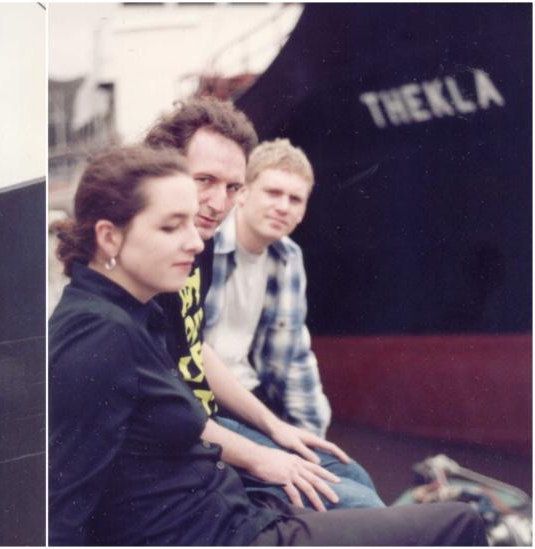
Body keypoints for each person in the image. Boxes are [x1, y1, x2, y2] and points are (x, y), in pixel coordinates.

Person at [48, 144, 485, 546]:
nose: (196, 241)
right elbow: (62, 505)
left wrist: (286, 437)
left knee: (361, 486)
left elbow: (291, 359)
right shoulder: (96, 335)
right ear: (109, 237)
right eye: (170, 226)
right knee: (459, 524)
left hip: (236, 516)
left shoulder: (136, 312)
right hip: (226, 537)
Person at [144, 97, 383, 509]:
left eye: (296, 199)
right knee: (356, 506)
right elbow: (165, 392)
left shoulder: (279, 257)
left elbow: (284, 356)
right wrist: (263, 455)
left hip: (231, 407)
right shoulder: (183, 248)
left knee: (351, 475)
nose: (217, 202)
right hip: (196, 427)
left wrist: (289, 431)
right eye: (204, 180)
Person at [204, 138, 330, 437]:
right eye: (273, 193)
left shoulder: (289, 258)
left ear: (303, 211)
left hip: (254, 401)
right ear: (243, 193)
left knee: (348, 476)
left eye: (295, 199)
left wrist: (313, 439)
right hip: (203, 402)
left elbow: (296, 356)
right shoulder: (204, 245)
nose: (283, 207)